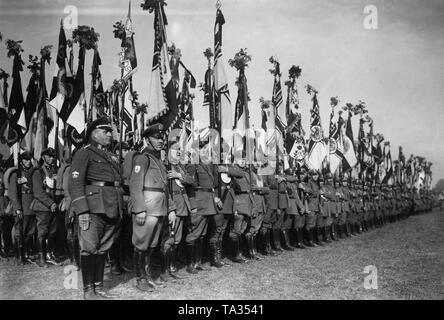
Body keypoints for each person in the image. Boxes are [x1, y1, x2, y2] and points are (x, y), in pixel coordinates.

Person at [69, 117, 123, 300]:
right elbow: (75, 182)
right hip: (93, 208)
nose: (110, 134)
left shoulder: (111, 156)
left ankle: (98, 286)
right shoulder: (84, 153)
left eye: (110, 131)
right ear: (93, 133)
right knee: (89, 248)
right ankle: (88, 290)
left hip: (111, 206)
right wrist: (82, 210)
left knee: (103, 248)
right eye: (105, 131)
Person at [127, 121, 176, 292]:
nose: (161, 140)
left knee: (152, 243)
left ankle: (147, 276)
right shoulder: (142, 158)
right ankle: (140, 279)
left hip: (159, 207)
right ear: (147, 139)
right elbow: (135, 185)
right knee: (141, 243)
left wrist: (171, 209)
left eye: (162, 137)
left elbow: (165, 187)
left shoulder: (158, 160)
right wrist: (139, 208)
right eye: (156, 137)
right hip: (147, 207)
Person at [158, 140, 195, 281]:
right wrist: (170, 208)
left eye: (180, 149)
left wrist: (179, 176)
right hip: (171, 206)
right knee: (168, 239)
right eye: (175, 149)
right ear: (168, 152)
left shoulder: (179, 167)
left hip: (183, 207)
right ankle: (164, 270)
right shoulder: (164, 166)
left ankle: (172, 267)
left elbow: (192, 181)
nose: (179, 152)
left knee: (177, 239)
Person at [31, 147, 59, 267]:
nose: (51, 158)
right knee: (42, 232)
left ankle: (49, 254)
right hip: (43, 206)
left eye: (53, 156)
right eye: (49, 156)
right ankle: (41, 257)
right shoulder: (38, 172)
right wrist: (50, 203)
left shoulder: (55, 170)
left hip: (54, 205)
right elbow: (38, 192)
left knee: (52, 232)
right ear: (43, 157)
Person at [8, 151, 37, 265]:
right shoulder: (16, 174)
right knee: (20, 232)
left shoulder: (33, 173)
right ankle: (20, 256)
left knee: (30, 232)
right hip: (22, 206)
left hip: (32, 205)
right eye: (26, 159)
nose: (28, 161)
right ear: (21, 161)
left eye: (30, 159)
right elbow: (13, 193)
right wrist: (17, 208)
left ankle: (26, 253)